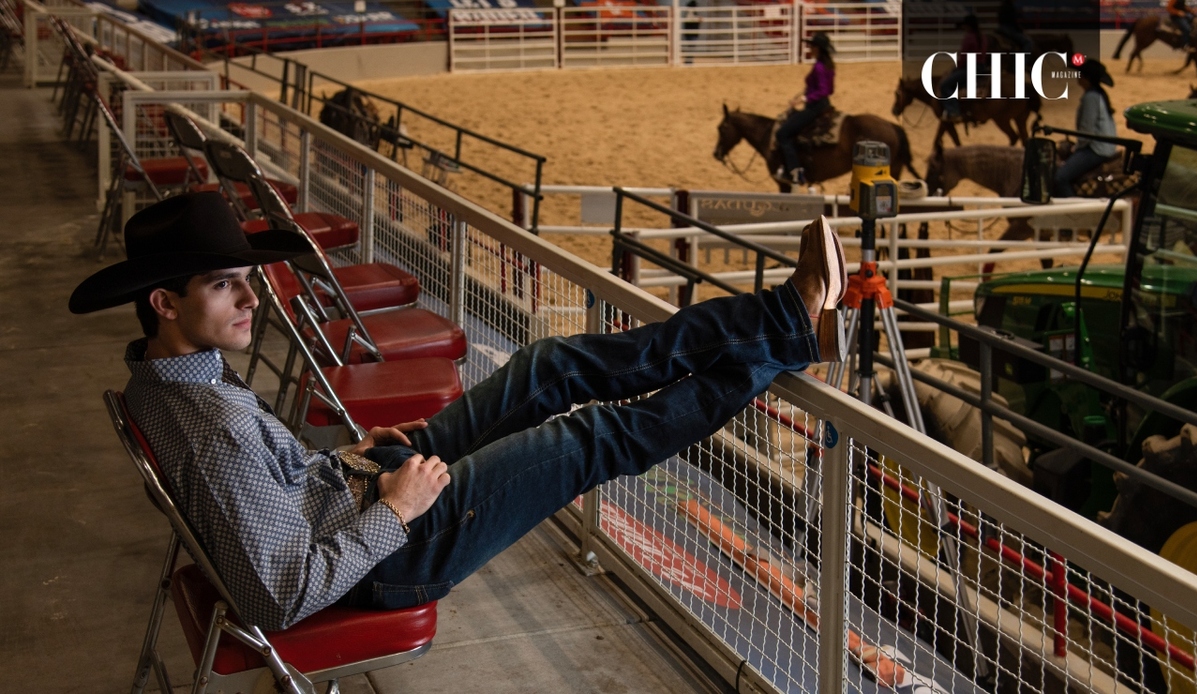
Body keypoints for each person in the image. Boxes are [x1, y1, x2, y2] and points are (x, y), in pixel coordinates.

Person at [71, 192, 848, 631]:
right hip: (387, 556)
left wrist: (346, 460)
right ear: (164, 302)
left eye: (246, 277)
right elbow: (278, 594)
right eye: (223, 285)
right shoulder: (211, 430)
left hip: (357, 493)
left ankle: (785, 326)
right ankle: (787, 323)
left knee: (547, 366)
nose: (252, 297)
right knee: (587, 439)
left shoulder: (168, 380)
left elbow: (270, 494)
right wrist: (396, 508)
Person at [775, 31, 836, 186]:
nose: (809, 48)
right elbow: (830, 90)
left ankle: (796, 172)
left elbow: (822, 91)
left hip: (814, 107)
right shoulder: (829, 66)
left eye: (811, 46)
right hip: (824, 105)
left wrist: (805, 98)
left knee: (783, 133)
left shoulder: (819, 67)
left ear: (818, 48)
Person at [1052, 59, 1117, 198]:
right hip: (1103, 146)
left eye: (1080, 74)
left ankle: (1074, 208)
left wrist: (1077, 147)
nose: (1077, 77)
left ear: (1086, 78)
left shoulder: (1091, 98)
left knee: (1060, 178)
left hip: (1096, 149)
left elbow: (1087, 130)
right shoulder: (1098, 95)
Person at [939, 14, 989, 123]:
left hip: (969, 68)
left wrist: (956, 68)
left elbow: (963, 58)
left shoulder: (969, 38)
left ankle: (953, 111)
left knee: (945, 85)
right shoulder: (983, 37)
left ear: (968, 26)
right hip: (981, 67)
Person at [682, 0, 700, 64]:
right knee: (691, 47)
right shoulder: (691, 13)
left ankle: (689, 60)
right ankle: (689, 60)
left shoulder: (689, 13)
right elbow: (693, 19)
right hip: (691, 33)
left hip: (691, 33)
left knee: (691, 47)